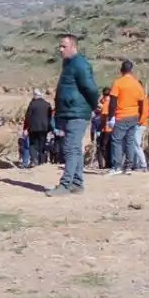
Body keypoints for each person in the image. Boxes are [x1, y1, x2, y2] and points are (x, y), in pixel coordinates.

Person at [47, 34, 99, 195]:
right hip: (69, 112)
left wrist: (92, 106)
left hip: (77, 112)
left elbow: (91, 89)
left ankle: (65, 184)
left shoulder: (80, 64)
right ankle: (77, 183)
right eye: (60, 46)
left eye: (64, 46)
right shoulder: (68, 63)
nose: (60, 49)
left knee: (70, 148)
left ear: (73, 47)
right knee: (74, 148)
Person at [106, 60, 146, 175]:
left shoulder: (118, 83)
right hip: (134, 116)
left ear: (121, 70)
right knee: (129, 141)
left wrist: (111, 117)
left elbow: (113, 101)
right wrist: (140, 116)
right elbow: (142, 102)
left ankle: (117, 166)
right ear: (131, 70)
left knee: (116, 140)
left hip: (121, 115)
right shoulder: (137, 84)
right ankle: (128, 167)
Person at [23, 89, 52, 167]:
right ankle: (41, 162)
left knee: (32, 144)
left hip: (33, 128)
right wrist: (50, 128)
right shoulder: (47, 104)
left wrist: (25, 128)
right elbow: (50, 117)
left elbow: (27, 117)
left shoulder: (32, 104)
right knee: (42, 144)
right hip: (44, 128)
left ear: (35, 95)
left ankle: (34, 160)